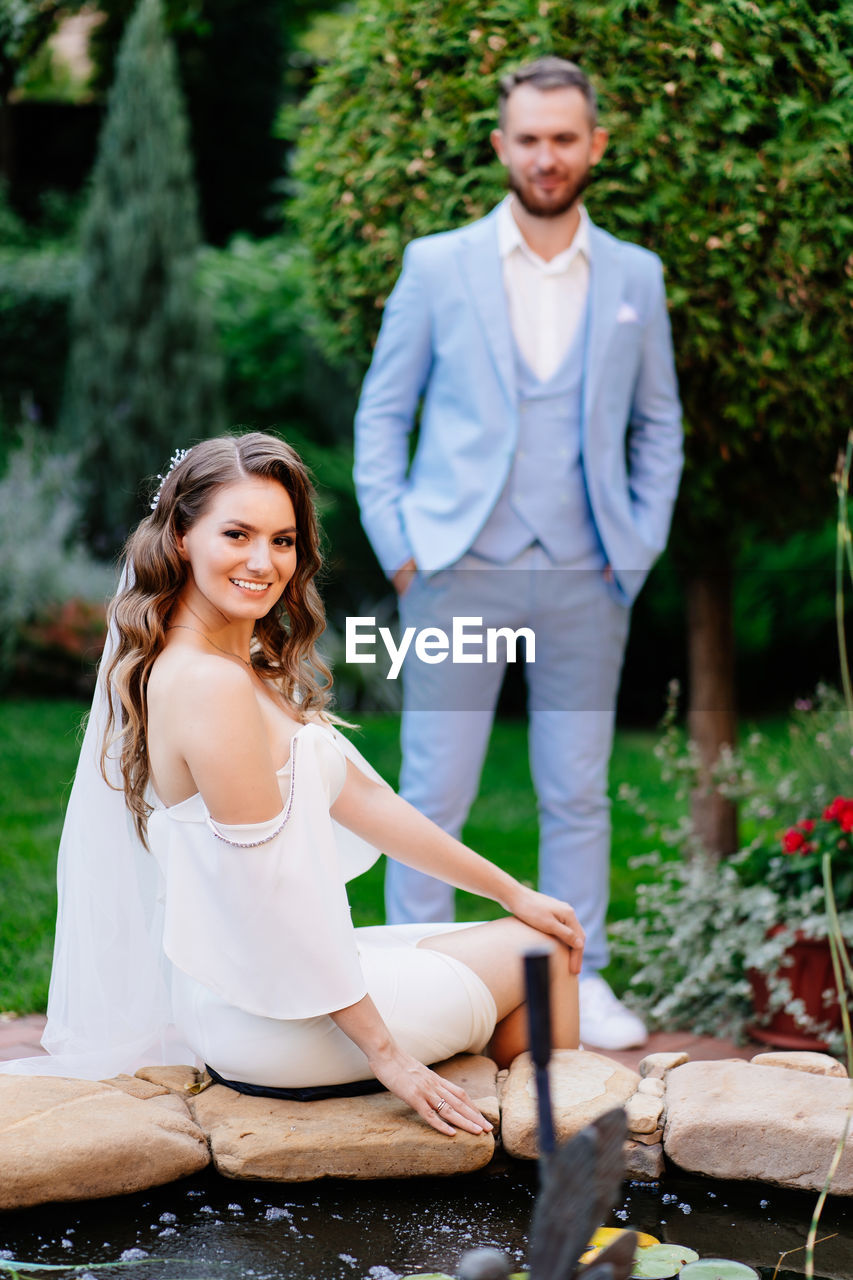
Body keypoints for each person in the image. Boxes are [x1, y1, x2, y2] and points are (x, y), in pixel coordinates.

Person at [0, 432, 584, 1135]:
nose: (262, 561)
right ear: (181, 536)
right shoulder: (210, 684)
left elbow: (365, 801)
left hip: (248, 987)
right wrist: (390, 1058)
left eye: (282, 540)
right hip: (272, 1019)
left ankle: (500, 1136)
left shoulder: (228, 660)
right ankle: (537, 1168)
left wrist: (511, 888)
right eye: (237, 534)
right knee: (543, 957)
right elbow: (272, 892)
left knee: (523, 925)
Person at [353, 58, 683, 1051]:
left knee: (575, 787)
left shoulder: (634, 276)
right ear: (502, 145)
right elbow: (381, 417)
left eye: (564, 138)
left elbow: (658, 425)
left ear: (594, 146)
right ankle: (418, 977)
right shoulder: (436, 264)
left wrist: (635, 550)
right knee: (430, 788)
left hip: (589, 575)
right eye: (529, 138)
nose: (546, 156)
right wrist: (404, 554)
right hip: (457, 571)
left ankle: (579, 982)